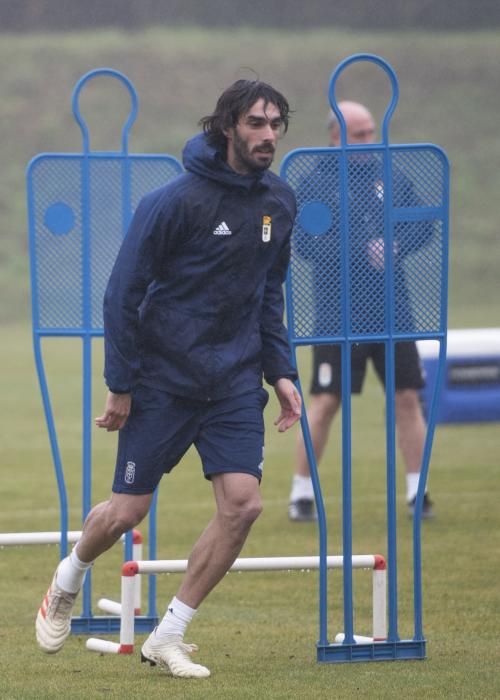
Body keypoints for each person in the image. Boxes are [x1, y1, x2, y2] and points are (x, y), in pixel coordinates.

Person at [36, 79, 302, 678]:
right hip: (162, 378)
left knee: (244, 505)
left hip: (233, 381)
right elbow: (121, 294)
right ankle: (68, 575)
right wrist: (121, 382)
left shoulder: (279, 203)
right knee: (127, 513)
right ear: (228, 125)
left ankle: (168, 634)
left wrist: (280, 370)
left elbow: (269, 294)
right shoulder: (173, 202)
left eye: (276, 124)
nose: (267, 136)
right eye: (256, 124)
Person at [288, 100, 433, 522]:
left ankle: (417, 491)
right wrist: (358, 249)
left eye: (372, 131)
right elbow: (307, 245)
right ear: (337, 136)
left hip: (393, 311)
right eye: (362, 133)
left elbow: (423, 222)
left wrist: (396, 245)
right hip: (338, 313)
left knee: (407, 397)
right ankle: (301, 493)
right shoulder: (316, 183)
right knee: (325, 400)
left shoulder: (390, 174)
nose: (371, 140)